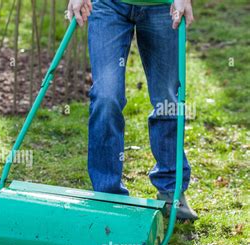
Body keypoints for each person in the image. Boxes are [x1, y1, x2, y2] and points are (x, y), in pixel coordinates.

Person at [67, 0, 198, 220]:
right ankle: (107, 195)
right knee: (106, 97)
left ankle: (171, 191)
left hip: (163, 6)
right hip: (108, 6)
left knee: (166, 98)